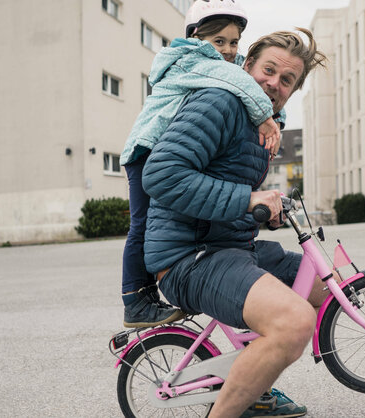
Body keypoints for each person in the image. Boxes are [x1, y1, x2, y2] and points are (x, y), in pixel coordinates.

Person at [143, 28, 327, 417]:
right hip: (189, 257)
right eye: (268, 69)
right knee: (294, 323)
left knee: (331, 283)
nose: (273, 83)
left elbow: (225, 190)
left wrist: (267, 211)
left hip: (231, 248)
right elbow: (161, 174)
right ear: (246, 66)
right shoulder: (220, 102)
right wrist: (248, 199)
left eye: (286, 79)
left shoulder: (262, 124)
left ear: (293, 91)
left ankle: (255, 390)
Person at [119, 0, 285, 328]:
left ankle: (145, 296)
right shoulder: (190, 59)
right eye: (218, 41)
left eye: (234, 42)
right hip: (145, 152)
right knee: (141, 225)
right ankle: (134, 299)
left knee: (146, 223)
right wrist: (266, 116)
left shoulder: (223, 67)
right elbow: (237, 81)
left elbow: (240, 83)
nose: (226, 49)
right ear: (196, 37)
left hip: (160, 148)